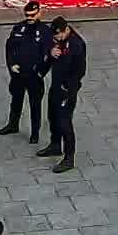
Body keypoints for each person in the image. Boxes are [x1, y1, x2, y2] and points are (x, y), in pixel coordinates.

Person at [0, 1, 54, 140]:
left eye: (33, 15)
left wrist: (41, 73)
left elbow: (49, 56)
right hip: (18, 73)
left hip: (34, 76)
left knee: (35, 105)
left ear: (39, 13)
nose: (30, 18)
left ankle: (35, 133)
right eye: (27, 15)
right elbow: (9, 48)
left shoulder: (45, 31)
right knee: (16, 100)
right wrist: (11, 65)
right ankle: (13, 124)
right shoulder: (18, 28)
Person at [37, 17, 87, 172]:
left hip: (67, 90)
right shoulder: (57, 40)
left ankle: (69, 158)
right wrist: (51, 52)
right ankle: (55, 144)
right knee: (52, 115)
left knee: (65, 122)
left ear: (66, 30)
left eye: (58, 36)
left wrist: (68, 88)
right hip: (56, 84)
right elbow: (47, 49)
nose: (56, 39)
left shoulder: (77, 45)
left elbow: (80, 71)